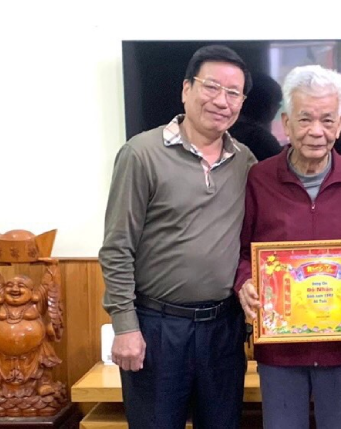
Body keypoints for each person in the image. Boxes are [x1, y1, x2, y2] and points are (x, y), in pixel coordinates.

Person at [99, 45, 256, 429]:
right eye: (211, 87)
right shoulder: (141, 154)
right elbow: (117, 247)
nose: (222, 100)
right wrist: (125, 327)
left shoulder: (246, 162)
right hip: (157, 328)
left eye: (233, 92)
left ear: (242, 103)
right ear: (186, 89)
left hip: (223, 328)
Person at [234, 65, 341, 429]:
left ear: (339, 125)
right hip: (279, 349)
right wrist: (244, 282)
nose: (316, 132)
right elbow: (241, 251)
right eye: (305, 119)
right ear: (286, 122)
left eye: (327, 120)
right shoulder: (258, 179)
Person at [229, 71, 284, 161]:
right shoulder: (260, 139)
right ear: (265, 104)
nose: (278, 108)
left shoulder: (227, 129)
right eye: (276, 103)